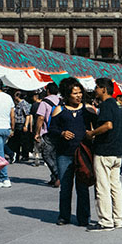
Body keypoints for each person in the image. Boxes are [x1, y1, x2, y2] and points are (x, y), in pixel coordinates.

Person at [49, 78, 93, 226]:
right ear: (67, 95)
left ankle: (84, 217)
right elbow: (52, 130)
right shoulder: (59, 110)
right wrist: (62, 133)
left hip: (82, 154)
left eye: (80, 92)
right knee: (66, 187)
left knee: (83, 187)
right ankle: (64, 216)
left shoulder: (87, 109)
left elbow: (97, 125)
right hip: (64, 154)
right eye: (75, 93)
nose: (79, 95)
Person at [85, 78, 122, 232]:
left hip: (104, 151)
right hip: (117, 152)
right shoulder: (118, 106)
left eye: (96, 88)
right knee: (116, 187)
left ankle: (105, 221)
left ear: (103, 89)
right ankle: (118, 219)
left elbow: (108, 125)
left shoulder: (106, 105)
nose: (95, 90)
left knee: (102, 187)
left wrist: (92, 133)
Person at [34, 83, 61, 187]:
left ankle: (57, 174)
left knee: (46, 154)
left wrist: (37, 133)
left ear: (48, 90)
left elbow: (40, 118)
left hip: (48, 132)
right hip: (60, 131)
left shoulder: (44, 102)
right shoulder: (61, 100)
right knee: (55, 154)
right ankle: (54, 177)